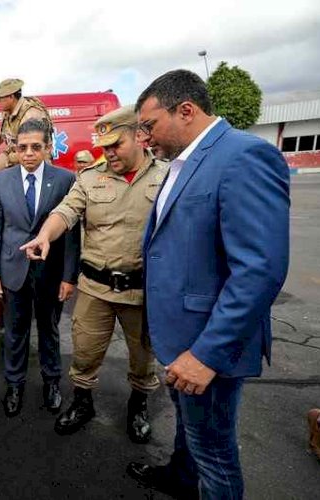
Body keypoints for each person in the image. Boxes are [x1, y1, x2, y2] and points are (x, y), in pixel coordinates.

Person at [126, 70, 290, 499]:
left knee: (214, 452)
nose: (144, 137)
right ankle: (181, 479)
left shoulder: (243, 156)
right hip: (182, 339)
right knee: (189, 430)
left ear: (186, 110)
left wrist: (206, 355)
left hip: (207, 348)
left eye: (148, 125)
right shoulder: (185, 161)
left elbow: (259, 269)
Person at [19, 106, 168, 441]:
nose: (109, 153)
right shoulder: (89, 178)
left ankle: (138, 407)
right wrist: (45, 234)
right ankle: (83, 403)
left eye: (117, 145)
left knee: (143, 359)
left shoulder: (168, 176)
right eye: (104, 148)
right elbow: (66, 211)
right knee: (84, 354)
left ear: (139, 136)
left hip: (143, 292)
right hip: (95, 289)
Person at [0, 118, 79, 417]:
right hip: (13, 271)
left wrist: (69, 276)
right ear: (15, 149)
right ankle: (14, 385)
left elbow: (71, 234)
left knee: (50, 330)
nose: (28, 153)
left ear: (47, 148)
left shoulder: (65, 180)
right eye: (23, 147)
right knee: (15, 332)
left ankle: (52, 383)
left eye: (35, 147)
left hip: (49, 273)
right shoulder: (1, 180)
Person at [0, 79, 52, 179]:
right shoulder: (8, 112)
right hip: (16, 152)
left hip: (33, 157)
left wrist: (10, 159)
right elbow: (2, 132)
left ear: (11, 97)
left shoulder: (30, 115)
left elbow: (32, 147)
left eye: (1, 97)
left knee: (19, 181)